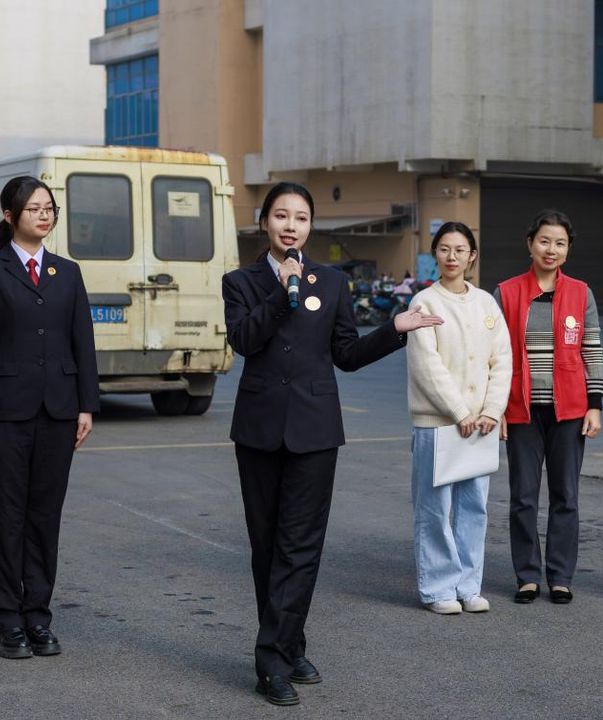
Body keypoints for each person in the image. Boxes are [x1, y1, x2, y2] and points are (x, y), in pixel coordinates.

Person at [222, 182, 443, 706]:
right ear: (265, 223)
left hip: (315, 430)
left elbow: (345, 353)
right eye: (281, 215)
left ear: (310, 226)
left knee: (301, 547)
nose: (291, 225)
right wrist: (282, 292)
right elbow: (244, 340)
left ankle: (272, 660)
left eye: (300, 217)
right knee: (267, 548)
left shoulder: (334, 282)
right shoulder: (241, 281)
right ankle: (290, 641)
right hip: (258, 430)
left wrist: (396, 328)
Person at [0, 176, 100, 659]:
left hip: (59, 413)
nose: (44, 215)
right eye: (34, 208)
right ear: (9, 216)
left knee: (44, 519)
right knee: (5, 519)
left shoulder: (68, 272)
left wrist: (86, 404)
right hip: (4, 415)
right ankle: (6, 622)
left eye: (50, 208)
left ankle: (37, 616)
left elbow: (82, 340)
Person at [494, 210, 603, 605]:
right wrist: (497, 409)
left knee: (566, 496)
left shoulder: (580, 292)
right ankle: (527, 575)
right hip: (521, 409)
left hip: (569, 411)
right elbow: (497, 354)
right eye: (544, 241)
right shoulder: (506, 293)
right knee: (523, 496)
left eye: (560, 243)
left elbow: (591, 349)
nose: (551, 249)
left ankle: (560, 576)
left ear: (568, 248)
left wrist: (596, 404)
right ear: (530, 243)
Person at [406, 221, 511, 615]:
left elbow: (502, 360)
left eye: (460, 249)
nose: (453, 257)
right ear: (435, 254)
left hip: (481, 424)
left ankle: (469, 585)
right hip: (438, 422)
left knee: (474, 508)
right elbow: (426, 366)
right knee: (434, 509)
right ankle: (437, 589)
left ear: (472, 256)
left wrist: (491, 411)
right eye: (445, 249)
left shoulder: (486, 303)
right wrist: (460, 412)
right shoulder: (424, 303)